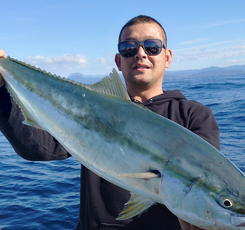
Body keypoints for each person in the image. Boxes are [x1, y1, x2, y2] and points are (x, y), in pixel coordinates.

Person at [0, 15, 220, 230]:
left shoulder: (194, 116)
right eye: (128, 48)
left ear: (168, 57)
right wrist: (1, 89)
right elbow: (39, 148)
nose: (140, 54)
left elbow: (205, 184)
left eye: (152, 46)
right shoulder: (94, 109)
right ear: (118, 61)